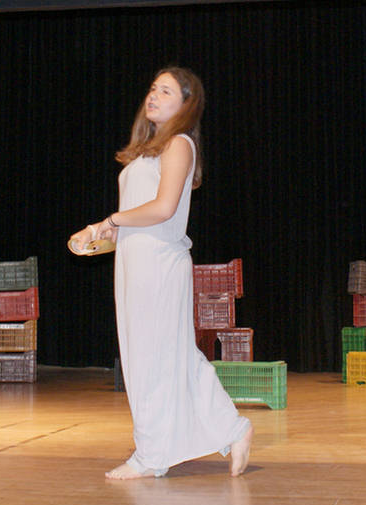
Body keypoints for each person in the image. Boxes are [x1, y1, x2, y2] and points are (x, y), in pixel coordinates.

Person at [71, 66, 253, 480]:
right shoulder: (146, 152)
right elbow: (141, 215)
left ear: (187, 103)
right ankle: (231, 429)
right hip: (135, 261)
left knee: (153, 359)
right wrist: (103, 235)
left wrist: (108, 222)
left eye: (166, 91)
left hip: (158, 264)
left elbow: (164, 208)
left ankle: (152, 455)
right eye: (153, 88)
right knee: (163, 356)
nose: (153, 95)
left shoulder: (179, 143)